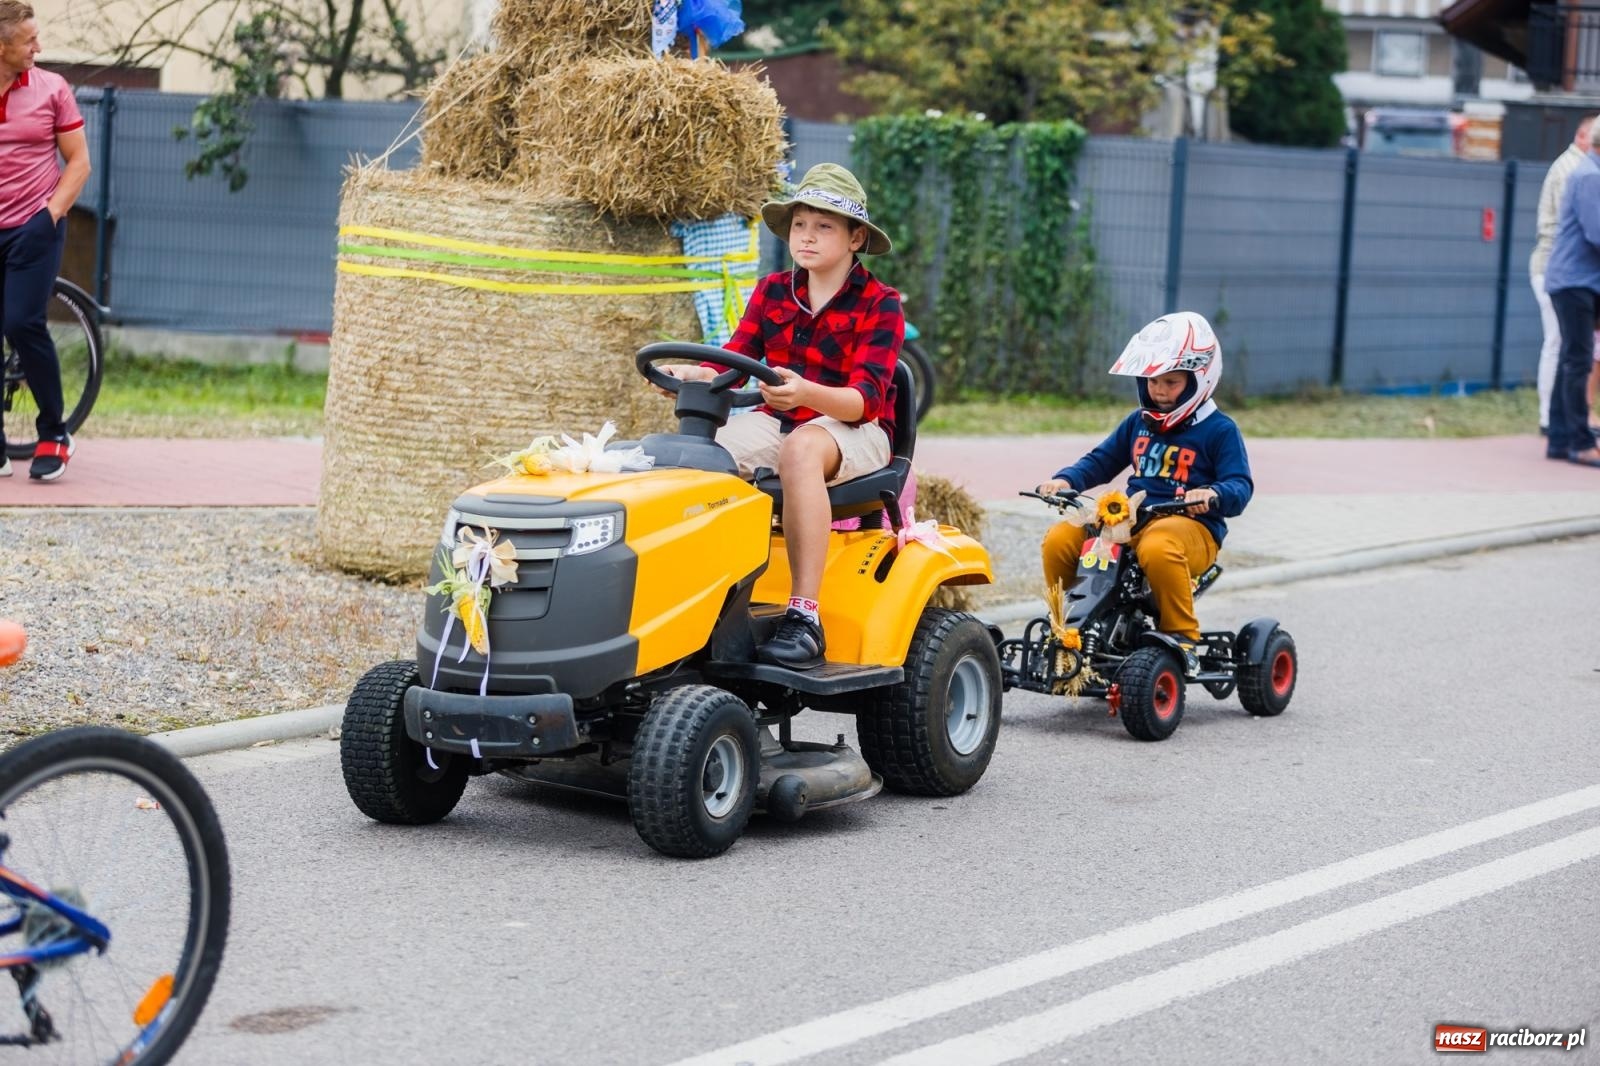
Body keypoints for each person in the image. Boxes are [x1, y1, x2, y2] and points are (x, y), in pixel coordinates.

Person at [656, 163, 901, 669]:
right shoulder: (770, 292)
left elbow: (865, 399)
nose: (807, 237)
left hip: (855, 428)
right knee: (697, 457)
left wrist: (809, 391)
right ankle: (694, 597)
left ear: (856, 238)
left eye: (824, 226)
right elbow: (734, 357)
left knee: (802, 447)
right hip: (781, 418)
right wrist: (695, 374)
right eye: (800, 225)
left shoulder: (882, 304)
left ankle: (804, 617)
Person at [1036, 312, 1253, 678]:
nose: (1160, 389)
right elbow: (1101, 461)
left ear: (1198, 380)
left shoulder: (1219, 430)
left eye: (1171, 381)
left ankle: (1183, 639)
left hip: (1193, 529)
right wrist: (1065, 481)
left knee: (1157, 546)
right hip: (1133, 520)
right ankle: (1068, 628)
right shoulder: (1138, 422)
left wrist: (1213, 494)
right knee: (1060, 538)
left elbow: (1240, 487)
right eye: (1152, 381)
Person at [0, 0, 90, 482]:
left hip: (35, 226)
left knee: (21, 320)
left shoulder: (52, 89)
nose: (39, 46)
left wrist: (48, 214)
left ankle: (54, 431)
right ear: (2, 47)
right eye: (29, 40)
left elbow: (79, 162)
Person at [1531, 115, 1595, 437]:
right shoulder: (1577, 170)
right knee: (1561, 346)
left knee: (1567, 348)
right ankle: (1553, 422)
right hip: (1560, 270)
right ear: (1583, 136)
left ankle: (1562, 425)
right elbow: (1592, 230)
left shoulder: (1579, 168)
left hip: (1561, 270)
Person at [1543, 118, 1600, 468]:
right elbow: (1597, 233)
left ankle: (1560, 439)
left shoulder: (1588, 173)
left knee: (1571, 361)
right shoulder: (1591, 176)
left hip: (1577, 281)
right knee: (1577, 362)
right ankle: (1578, 443)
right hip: (1574, 281)